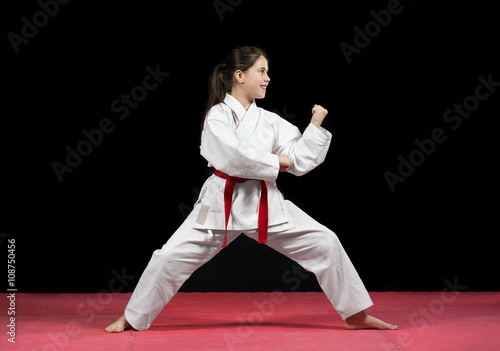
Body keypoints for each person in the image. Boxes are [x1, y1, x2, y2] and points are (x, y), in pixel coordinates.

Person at [105, 46, 397, 333]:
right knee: (168, 257)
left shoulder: (269, 120)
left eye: (267, 72)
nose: (268, 78)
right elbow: (232, 158)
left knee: (326, 242)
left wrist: (315, 127)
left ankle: (355, 315)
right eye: (262, 71)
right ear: (239, 75)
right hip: (221, 202)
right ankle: (133, 317)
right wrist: (276, 160)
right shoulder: (217, 116)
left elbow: (299, 161)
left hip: (265, 202)